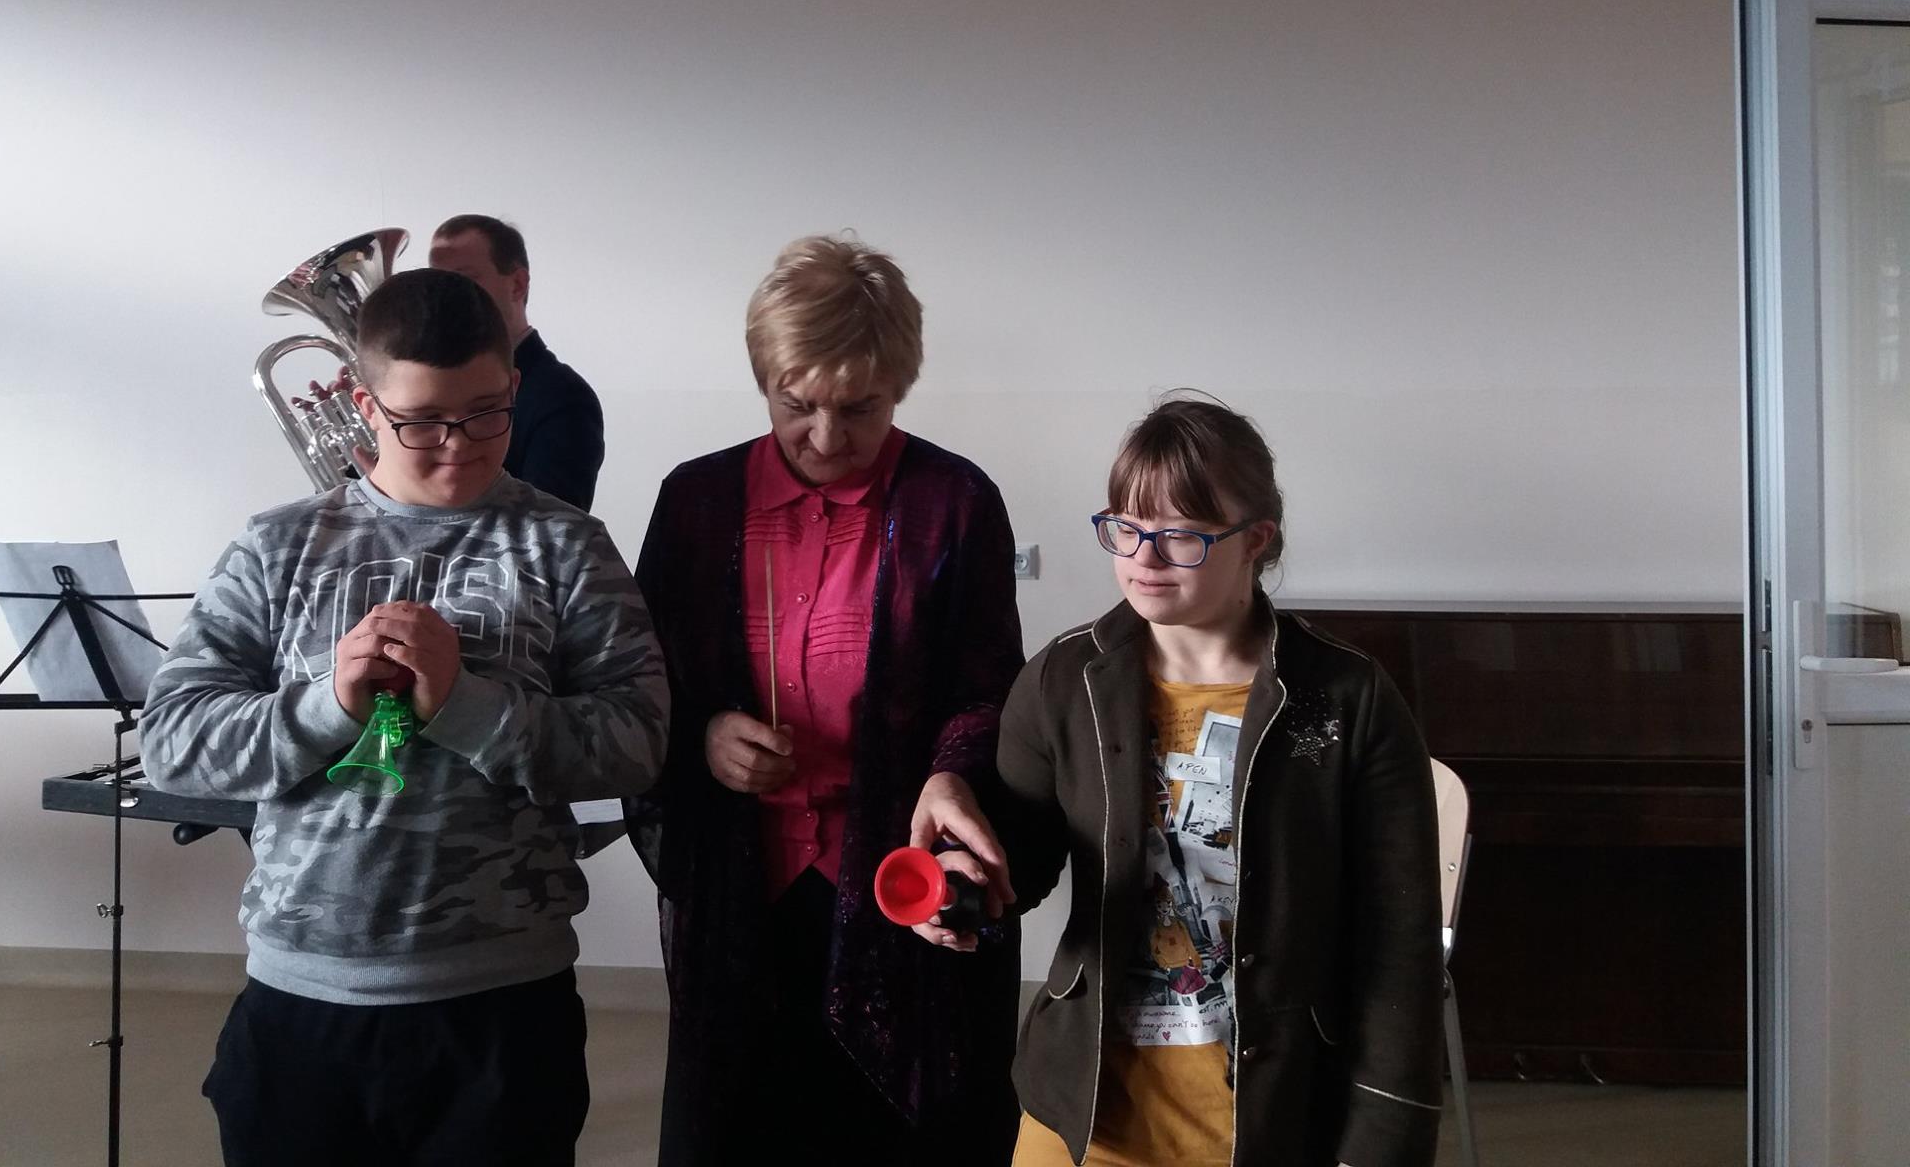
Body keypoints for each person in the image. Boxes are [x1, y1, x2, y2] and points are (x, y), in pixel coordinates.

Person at [139, 267, 668, 1167]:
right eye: (421, 421)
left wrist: (468, 709)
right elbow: (173, 743)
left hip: (505, 1001)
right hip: (303, 1000)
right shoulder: (278, 545)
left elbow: (639, 743)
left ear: (515, 388)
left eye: (487, 413)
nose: (457, 448)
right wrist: (327, 707)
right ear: (363, 405)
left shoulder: (566, 546)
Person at [631, 234, 1026, 1166]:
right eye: (794, 404)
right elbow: (640, 683)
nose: (823, 437)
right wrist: (705, 736)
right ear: (763, 380)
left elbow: (988, 690)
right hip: (742, 894)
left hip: (900, 888)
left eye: (860, 409)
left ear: (901, 387)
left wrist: (952, 772)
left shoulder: (954, 501)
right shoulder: (695, 501)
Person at [971, 394, 1443, 1167]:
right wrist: (964, 869)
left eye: (1181, 535)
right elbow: (1018, 858)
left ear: (1257, 539)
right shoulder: (1062, 679)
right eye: (1126, 528)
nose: (1144, 558)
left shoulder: (1346, 698)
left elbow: (1400, 948)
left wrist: (1384, 1140)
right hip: (1081, 1111)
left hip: (1269, 1118)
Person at [429, 212, 605, 511]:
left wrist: (410, 498)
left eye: (463, 280)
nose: (444, 298)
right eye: (437, 282)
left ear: (518, 285)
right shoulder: (431, 389)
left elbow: (550, 527)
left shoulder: (564, 396)